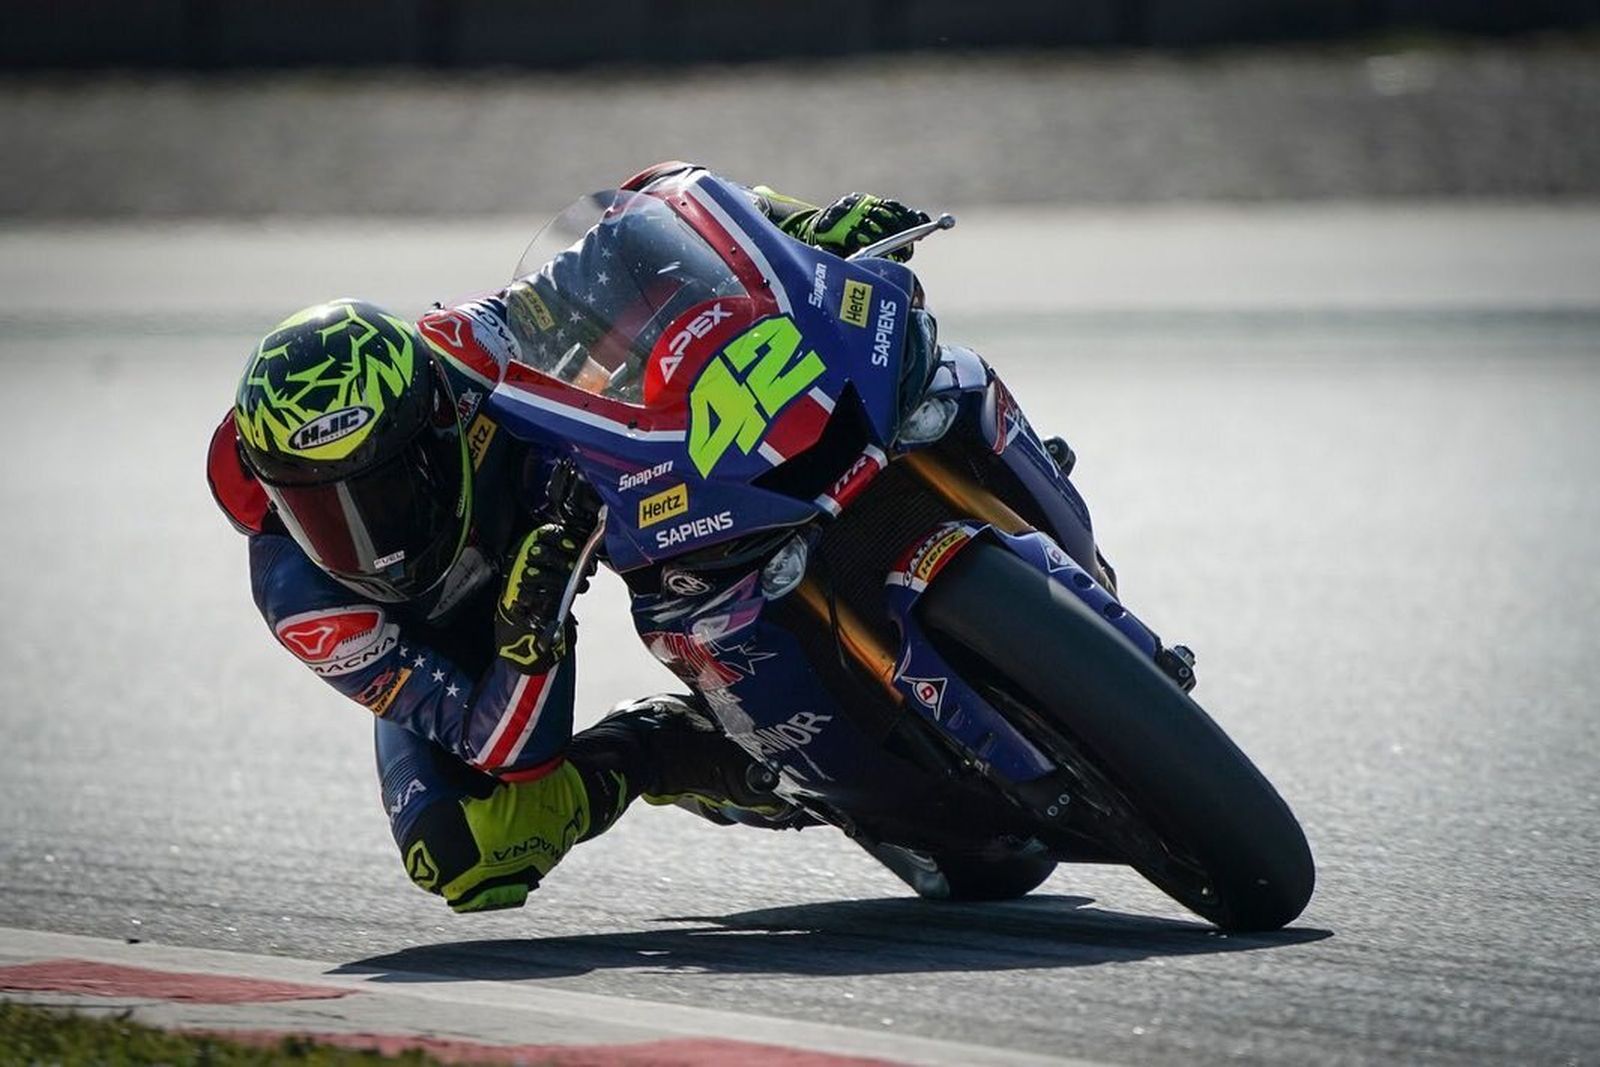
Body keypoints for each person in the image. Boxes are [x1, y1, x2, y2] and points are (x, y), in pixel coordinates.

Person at [206, 162, 935, 913]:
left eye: (384, 489)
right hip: (475, 652)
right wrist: (528, 634)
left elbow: (634, 236)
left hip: (593, 502)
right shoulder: (310, 606)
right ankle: (667, 749)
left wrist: (797, 232)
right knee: (461, 852)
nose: (367, 532)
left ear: (435, 421)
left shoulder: (463, 354)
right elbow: (502, 747)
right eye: (322, 510)